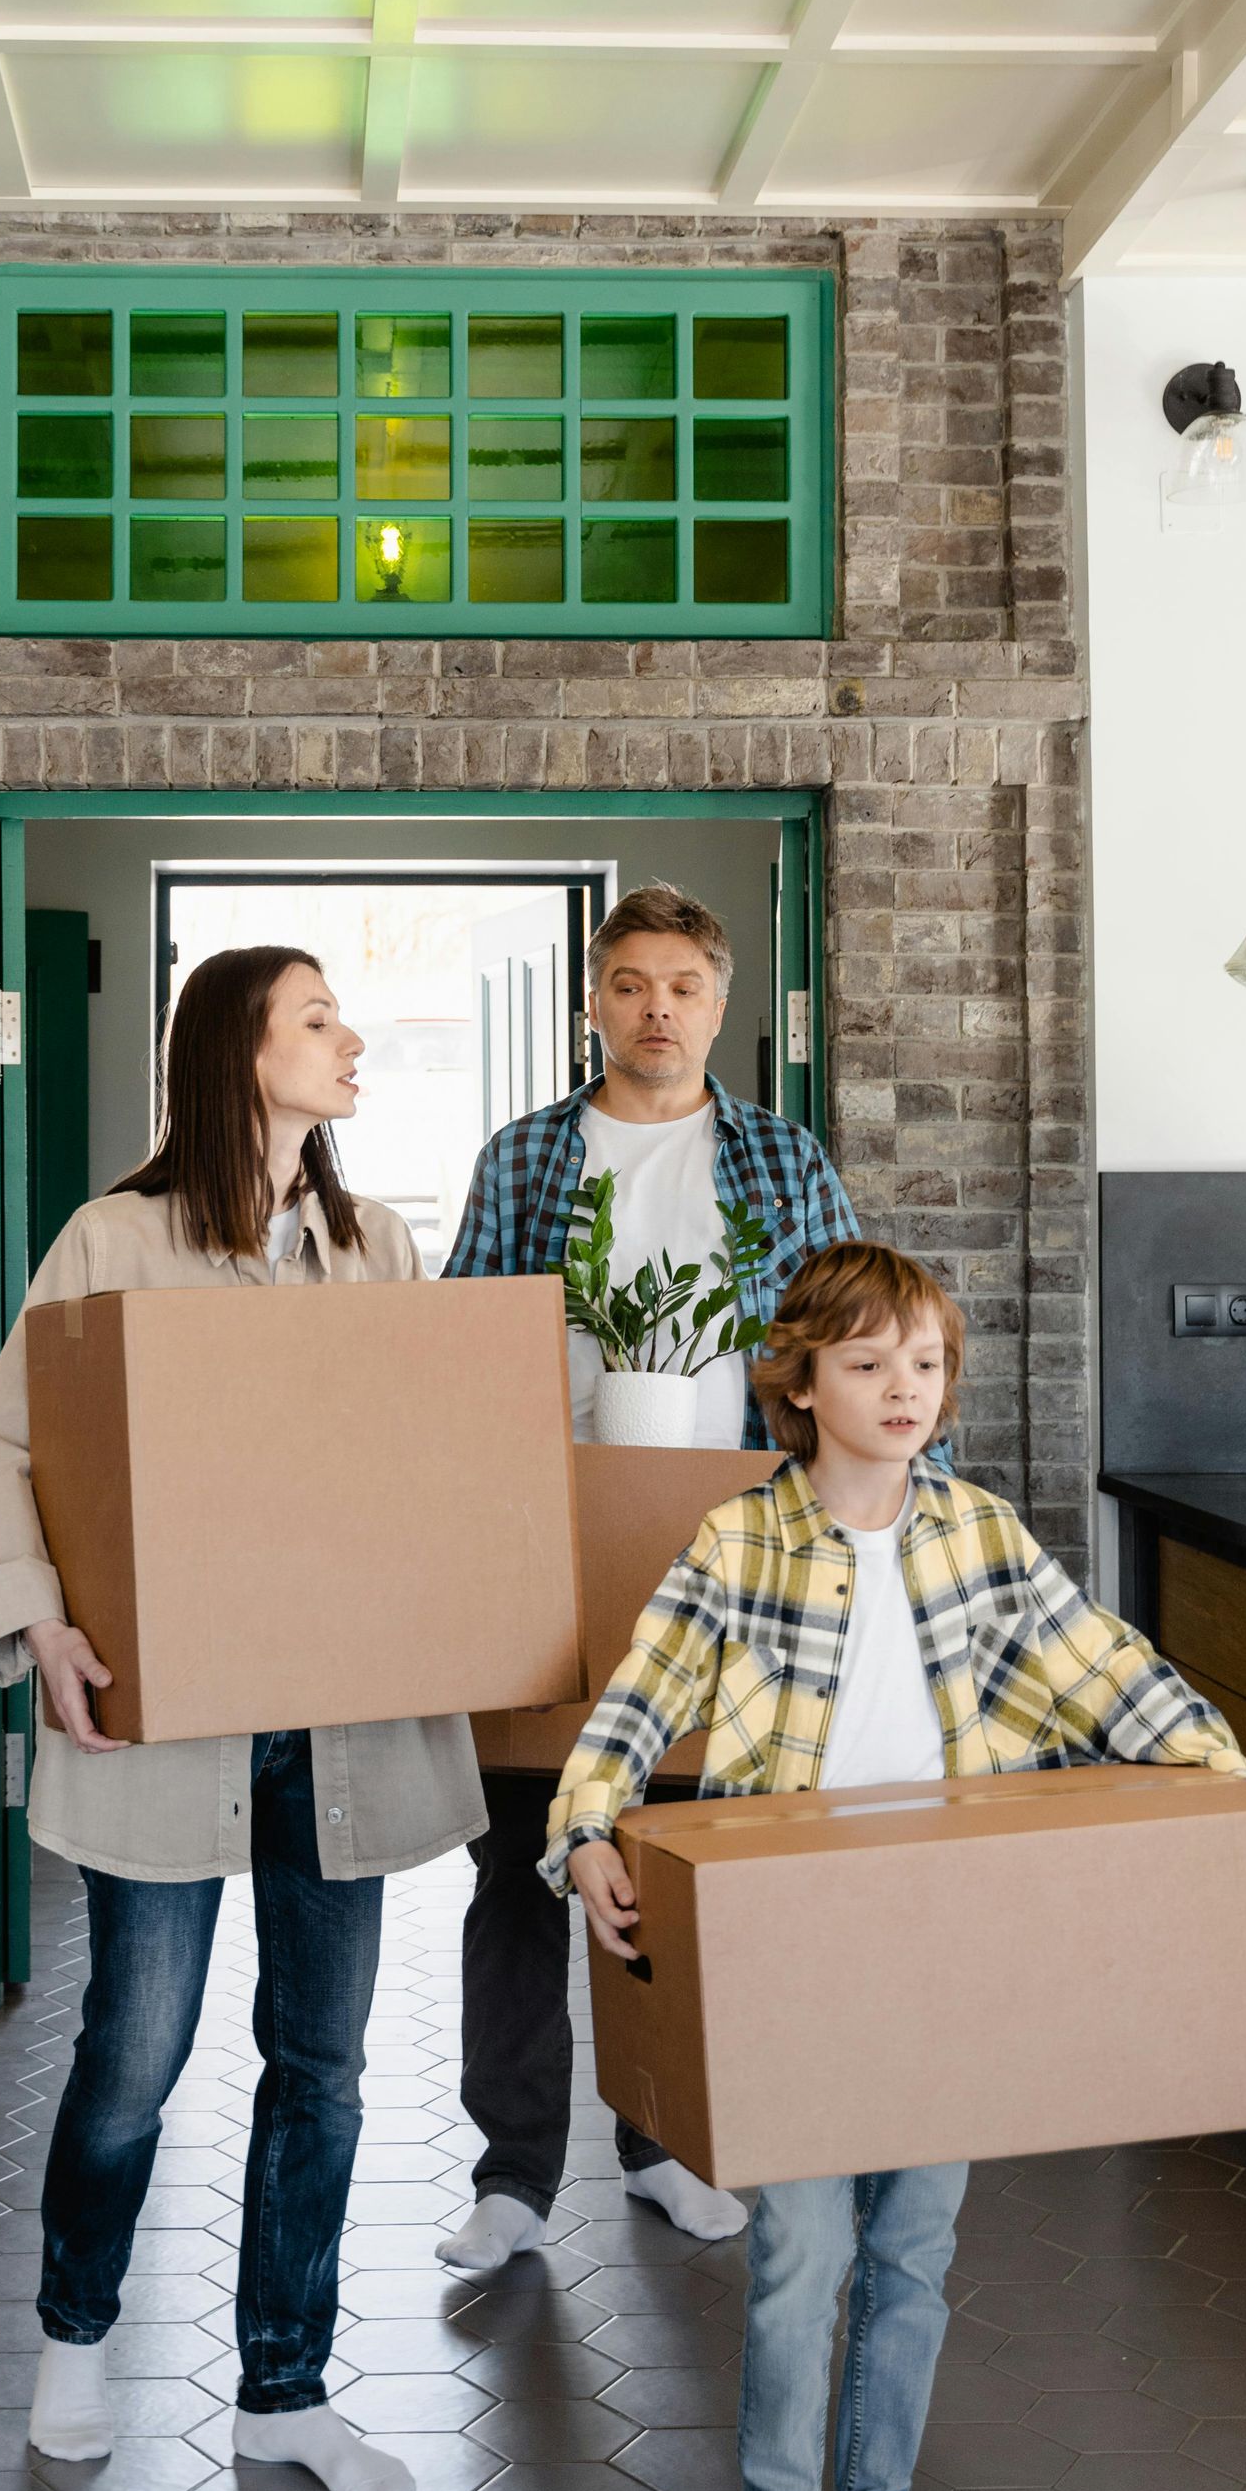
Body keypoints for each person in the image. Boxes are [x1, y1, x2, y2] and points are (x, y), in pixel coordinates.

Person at [545, 1240, 1246, 2491]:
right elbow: (638, 1700)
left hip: (947, 1946)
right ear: (802, 1381)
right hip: (791, 1949)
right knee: (801, 2254)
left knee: (914, 2250)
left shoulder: (981, 1536)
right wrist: (588, 1824)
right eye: (868, 1363)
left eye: (924, 1362)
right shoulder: (742, 1537)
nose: (904, 1387)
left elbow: (1106, 1669)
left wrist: (1221, 1783)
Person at [0, 945, 485, 2491]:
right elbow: (11, 1440)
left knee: (320, 2065)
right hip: (163, 1718)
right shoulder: (109, 1241)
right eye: (319, 1019)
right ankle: (74, 2337)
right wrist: (35, 1617)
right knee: (136, 2054)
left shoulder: (373, 1243)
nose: (352, 1041)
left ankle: (284, 2393)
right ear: (236, 1051)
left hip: (338, 1720)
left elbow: (425, 1455)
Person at [436, 882, 860, 2275]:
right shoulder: (524, 1159)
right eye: (629, 984)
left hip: (725, 1565)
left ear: (720, 1005)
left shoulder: (784, 1162)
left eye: (682, 984)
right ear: (593, 1004)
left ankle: (668, 2144)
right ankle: (510, 2179)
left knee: (677, 1860)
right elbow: (461, 1350)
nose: (656, 1008)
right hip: (539, 1558)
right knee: (516, 1864)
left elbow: (847, 1350)